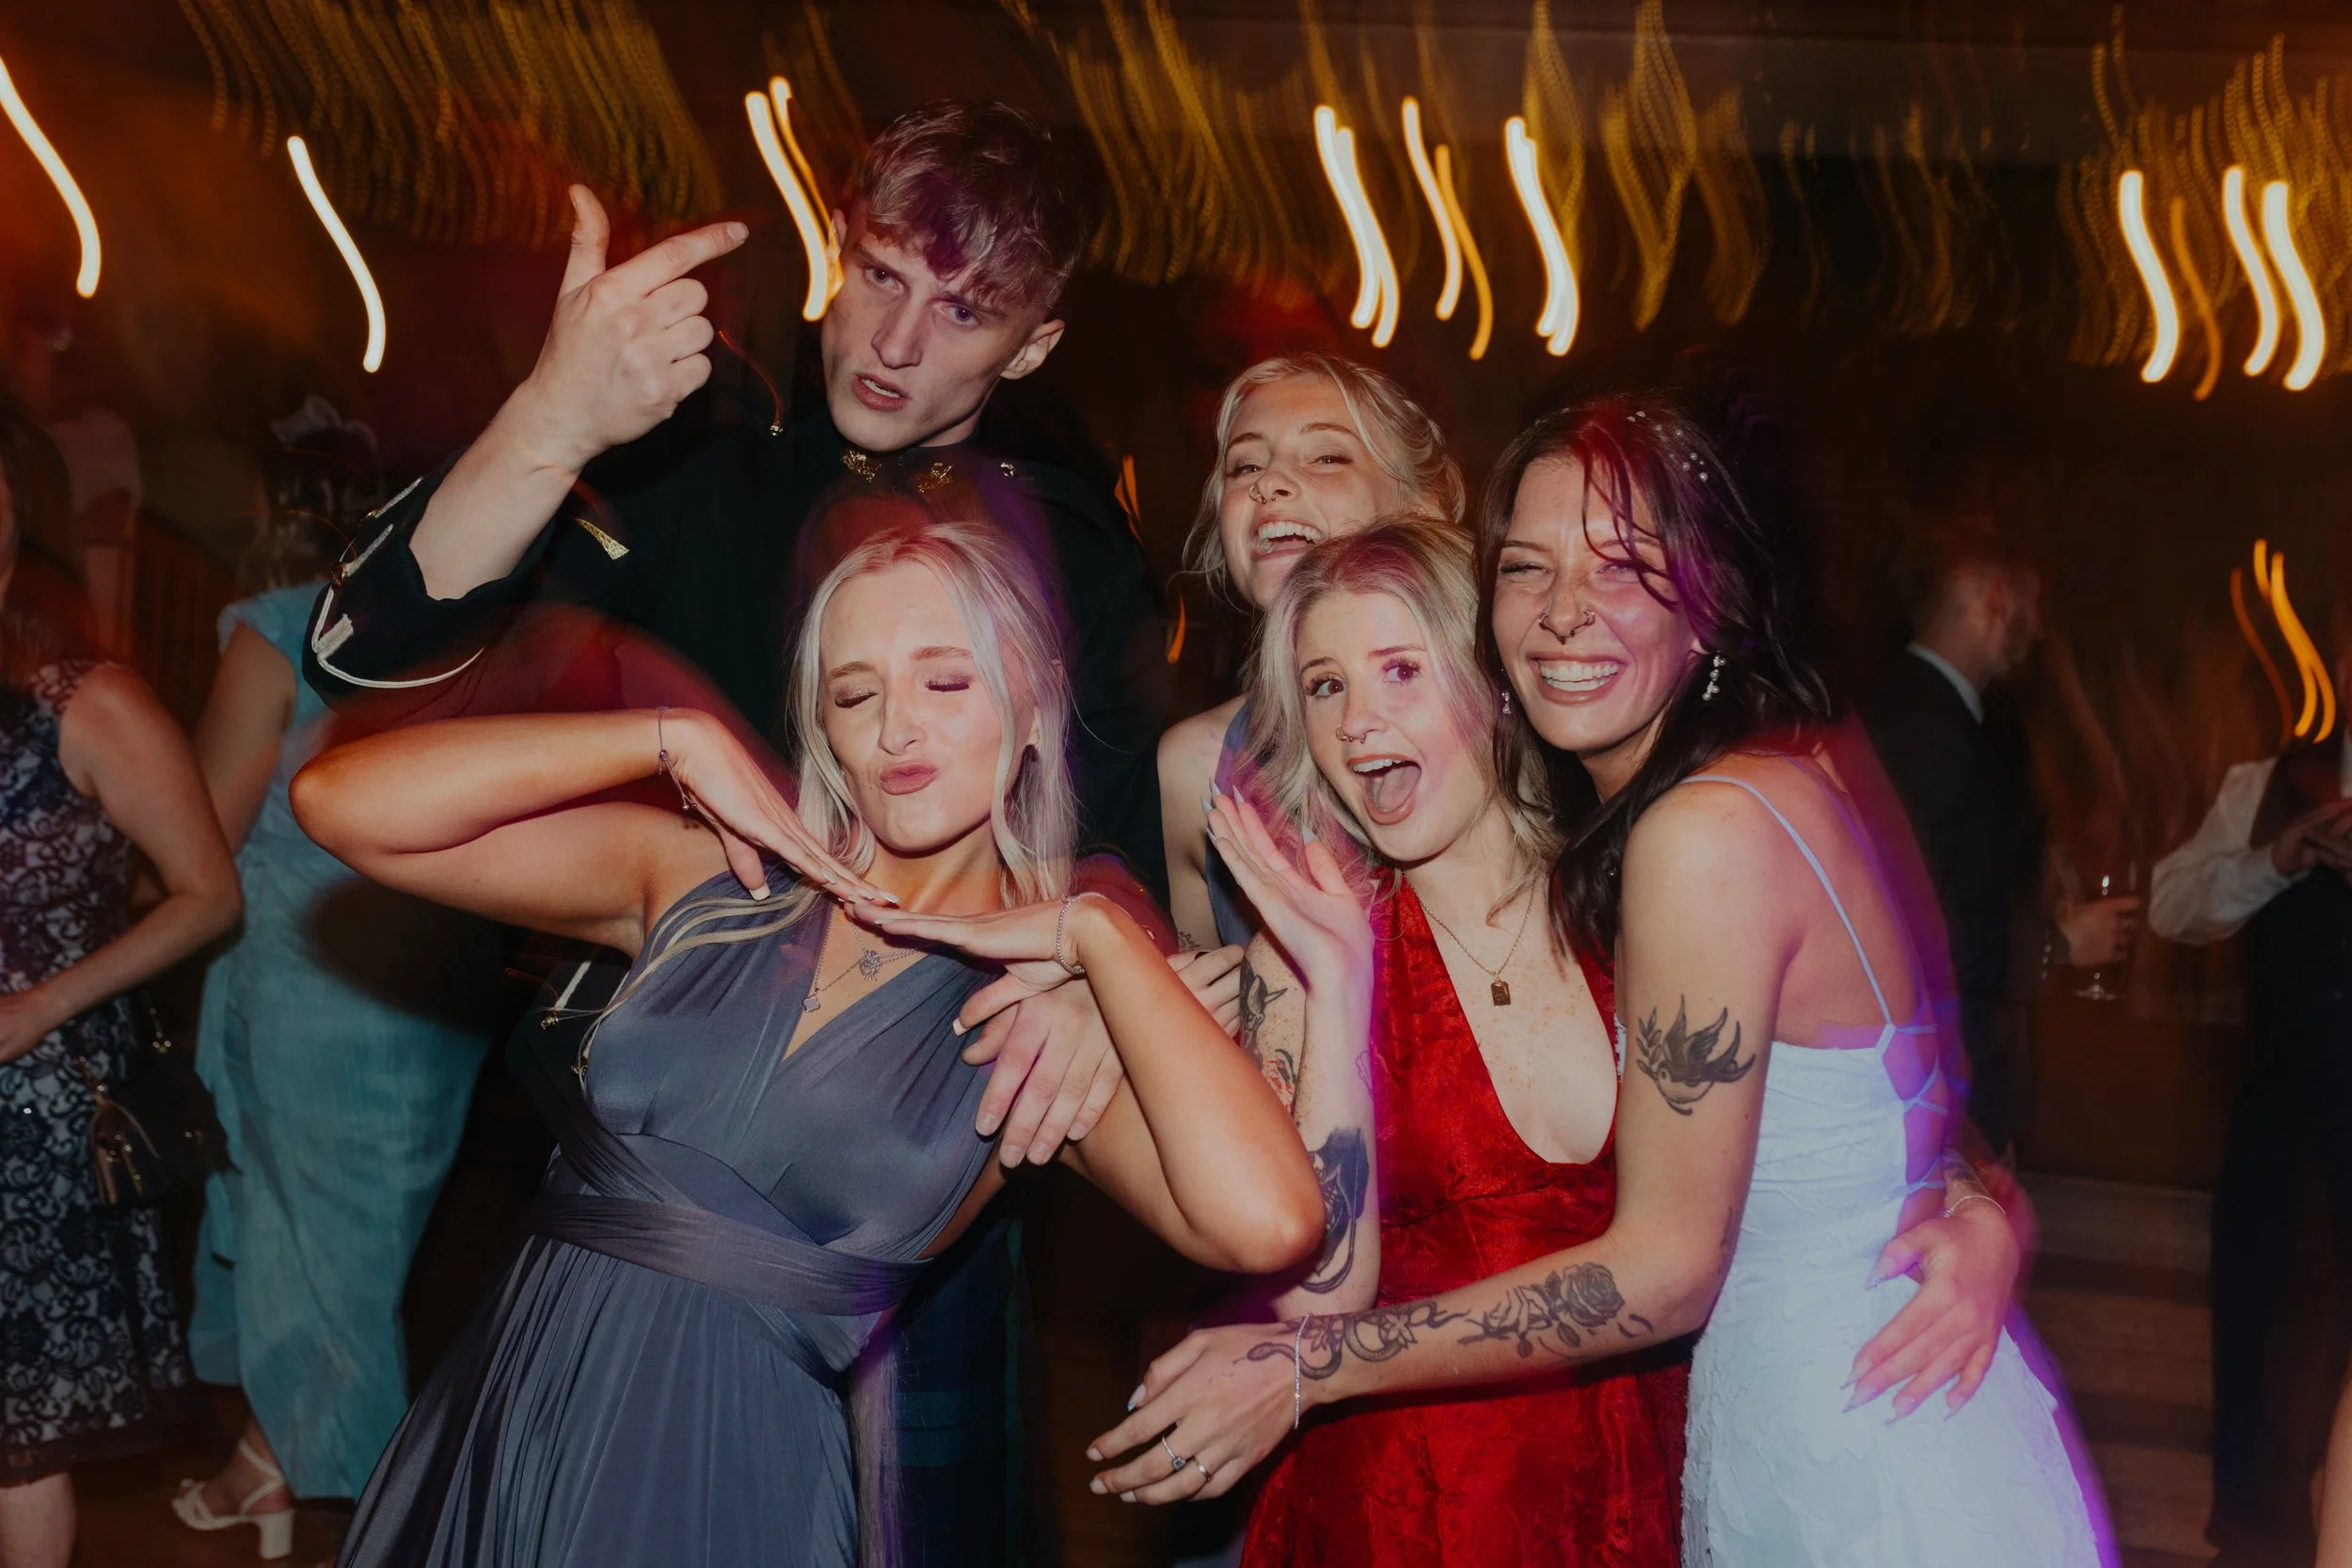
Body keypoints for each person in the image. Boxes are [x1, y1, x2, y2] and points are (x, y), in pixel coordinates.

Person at [299, 101, 1167, 1553]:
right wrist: (551, 420)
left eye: (965, 312)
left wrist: (1104, 951)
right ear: (837, 250)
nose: (897, 341)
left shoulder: (1071, 552)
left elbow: (1125, 842)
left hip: (891, 1226)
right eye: (882, 274)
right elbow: (358, 665)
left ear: (1034, 345)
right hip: (627, 1176)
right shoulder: (696, 464)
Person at [1091, 396, 2102, 1563]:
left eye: (1402, 668)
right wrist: (1283, 980)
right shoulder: (1324, 937)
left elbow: (1823, 1139)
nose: (1361, 718)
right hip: (1417, 1506)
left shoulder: (1644, 875)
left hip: (1729, 1470)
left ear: (1485, 679)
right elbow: (1314, 1282)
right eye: (1322, 688)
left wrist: (1982, 1214)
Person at [296, 514, 1319, 1568]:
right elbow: (339, 802)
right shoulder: (706, 882)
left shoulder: (1033, 1015)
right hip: (513, 1405)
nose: (895, 729)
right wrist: (664, 737)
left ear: (1033, 704)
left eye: (945, 680)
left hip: (735, 1474)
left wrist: (1100, 937)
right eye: (855, 690)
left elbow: (1268, 1224)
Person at [173, 408, 501, 1557]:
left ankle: (359, 1509)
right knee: (355, 1253)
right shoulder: (456, 638)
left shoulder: (273, 634)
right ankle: (266, 1468)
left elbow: (203, 836)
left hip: (309, 982)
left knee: (308, 1247)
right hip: (426, 990)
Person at [0, 410, 242, 1567]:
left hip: (39, 1127)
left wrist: (38, 1005)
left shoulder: (86, 703)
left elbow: (205, 892)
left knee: (23, 1433)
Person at [2147, 588, 2351, 1564]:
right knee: (2261, 1313)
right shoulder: (2264, 781)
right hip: (2280, 1102)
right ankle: (2259, 1541)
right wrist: (2277, 855)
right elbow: (2171, 902)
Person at [1860, 504, 2139, 1156]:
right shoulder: (1924, 729)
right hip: (1937, 1098)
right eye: (2032, 605)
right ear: (1994, 598)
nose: (2038, 629)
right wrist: (2054, 943)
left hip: (1959, 1092)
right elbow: (1899, 926)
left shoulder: (1945, 717)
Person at [1160, 352, 1462, 953]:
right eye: (1245, 465)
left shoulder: (1496, 716)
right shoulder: (1194, 767)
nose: (1268, 482)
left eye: (1327, 456)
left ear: (1419, 506)